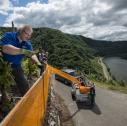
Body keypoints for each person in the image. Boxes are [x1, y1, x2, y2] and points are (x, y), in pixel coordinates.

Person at [0, 25, 42, 96]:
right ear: (21, 31)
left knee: (24, 85)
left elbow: (32, 54)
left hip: (16, 66)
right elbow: (5, 48)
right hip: (3, 64)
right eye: (27, 34)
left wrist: (38, 63)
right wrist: (23, 51)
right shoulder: (9, 35)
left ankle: (26, 101)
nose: (28, 36)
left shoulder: (27, 43)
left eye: (30, 35)